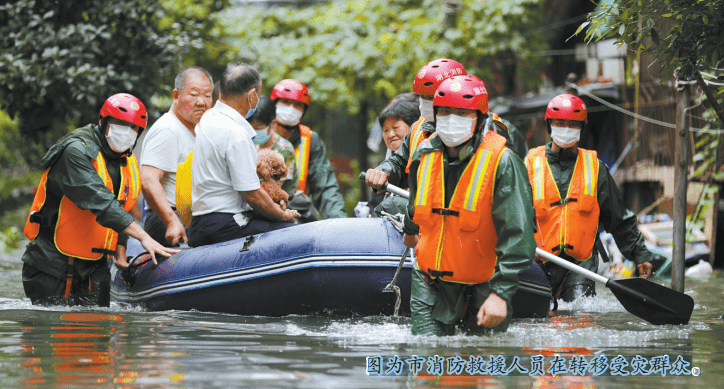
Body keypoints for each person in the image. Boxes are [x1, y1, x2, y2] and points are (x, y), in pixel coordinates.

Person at [403, 75, 536, 335]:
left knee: (483, 365)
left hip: (485, 283)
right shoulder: (424, 153)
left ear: (481, 119)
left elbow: (518, 233)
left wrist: (501, 293)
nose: (452, 120)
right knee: (425, 361)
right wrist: (409, 230)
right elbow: (415, 205)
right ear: (436, 115)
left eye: (463, 113)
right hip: (430, 280)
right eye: (446, 112)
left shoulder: (504, 161)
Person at [21, 93, 178, 307]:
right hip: (52, 263)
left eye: (133, 128)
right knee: (53, 329)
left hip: (94, 266)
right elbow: (101, 202)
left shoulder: (128, 160)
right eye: (120, 124)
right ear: (103, 122)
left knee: (98, 331)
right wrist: (143, 236)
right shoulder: (75, 151)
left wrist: (121, 252)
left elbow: (124, 206)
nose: (127, 132)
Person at [524, 94, 661, 302]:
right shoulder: (529, 165)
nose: (566, 128)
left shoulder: (596, 169)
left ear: (582, 127)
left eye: (572, 124)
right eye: (560, 123)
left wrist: (640, 253)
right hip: (537, 264)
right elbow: (512, 215)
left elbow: (619, 218)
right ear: (549, 125)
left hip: (580, 266)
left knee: (579, 321)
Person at [187, 62, 299, 247]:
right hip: (225, 223)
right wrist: (283, 215)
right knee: (291, 234)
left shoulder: (208, 118)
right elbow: (252, 195)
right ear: (252, 95)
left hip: (200, 222)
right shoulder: (236, 133)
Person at [140, 67, 213, 246]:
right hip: (168, 219)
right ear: (176, 95)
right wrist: (171, 221)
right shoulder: (168, 129)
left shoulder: (197, 129)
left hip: (191, 217)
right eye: (194, 95)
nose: (201, 102)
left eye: (207, 95)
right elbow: (148, 181)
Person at [269, 79, 347, 220]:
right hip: (261, 209)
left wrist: (339, 222)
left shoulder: (310, 139)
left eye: (298, 105)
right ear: (274, 104)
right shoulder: (258, 132)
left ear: (304, 111)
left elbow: (325, 187)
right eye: (286, 102)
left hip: (297, 212)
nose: (291, 108)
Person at [368, 99, 420, 216]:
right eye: (385, 130)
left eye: (396, 127)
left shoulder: (426, 155)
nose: (390, 134)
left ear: (414, 127)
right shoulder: (387, 165)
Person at [247, 95, 299, 195]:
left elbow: (274, 190)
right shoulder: (250, 144)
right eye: (251, 128)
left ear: (272, 124)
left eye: (258, 128)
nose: (254, 133)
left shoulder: (284, 149)